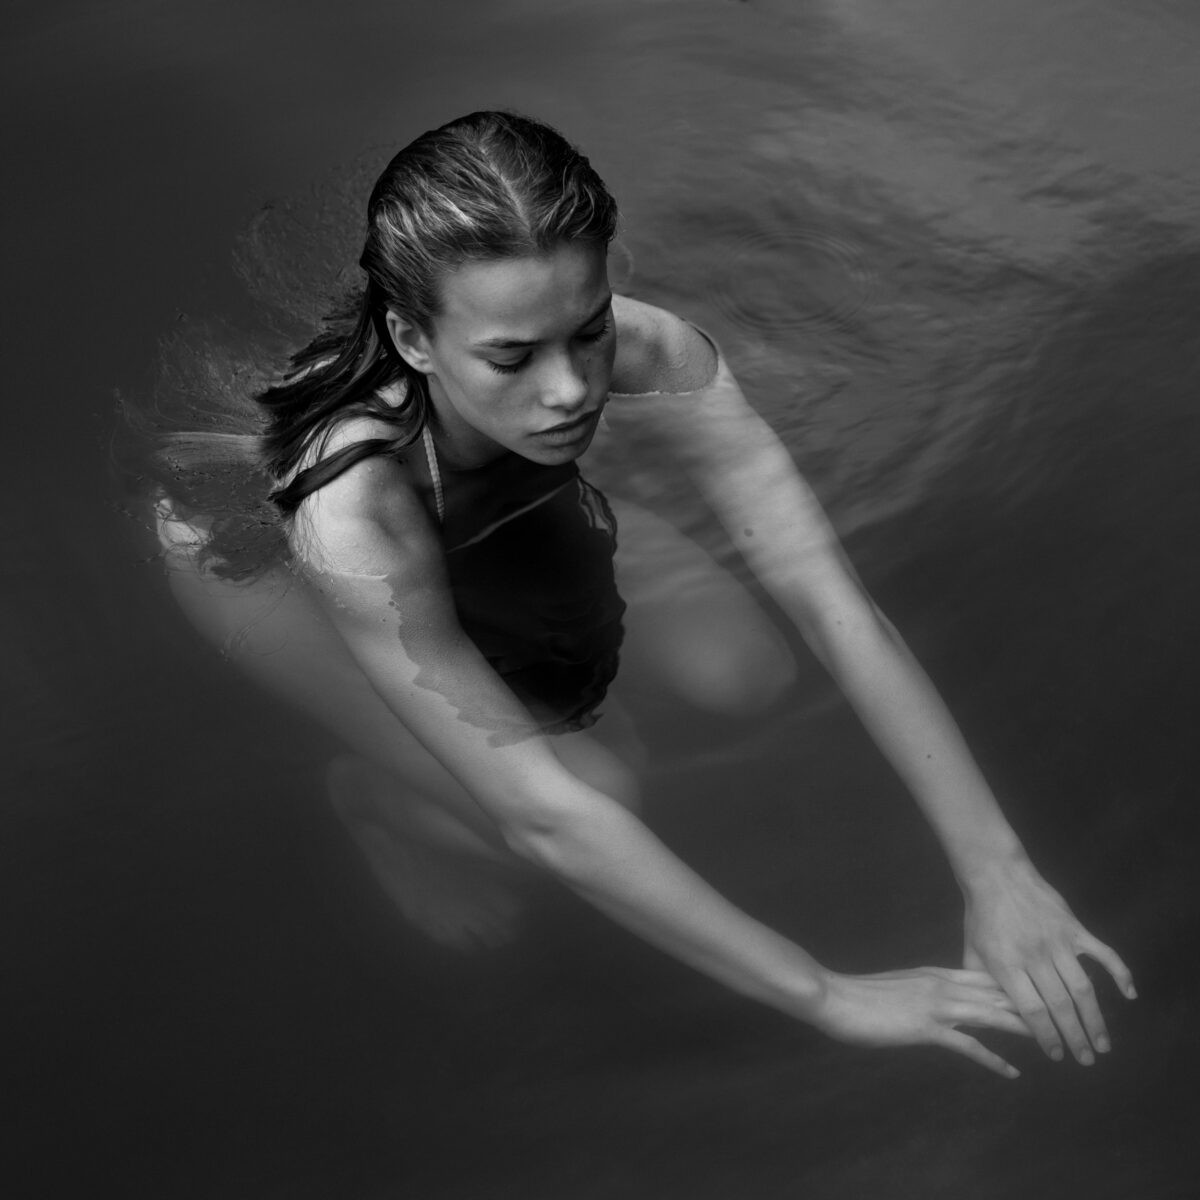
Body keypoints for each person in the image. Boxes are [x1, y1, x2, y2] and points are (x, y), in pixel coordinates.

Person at [147, 110, 1134, 1081]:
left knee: (741, 672)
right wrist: (825, 995)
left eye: (588, 331)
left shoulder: (655, 355)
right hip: (258, 558)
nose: (573, 389)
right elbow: (549, 822)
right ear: (411, 337)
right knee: (596, 788)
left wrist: (999, 870)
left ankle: (515, 583)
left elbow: (832, 602)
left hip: (489, 492)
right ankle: (382, 801)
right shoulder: (346, 508)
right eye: (514, 355)